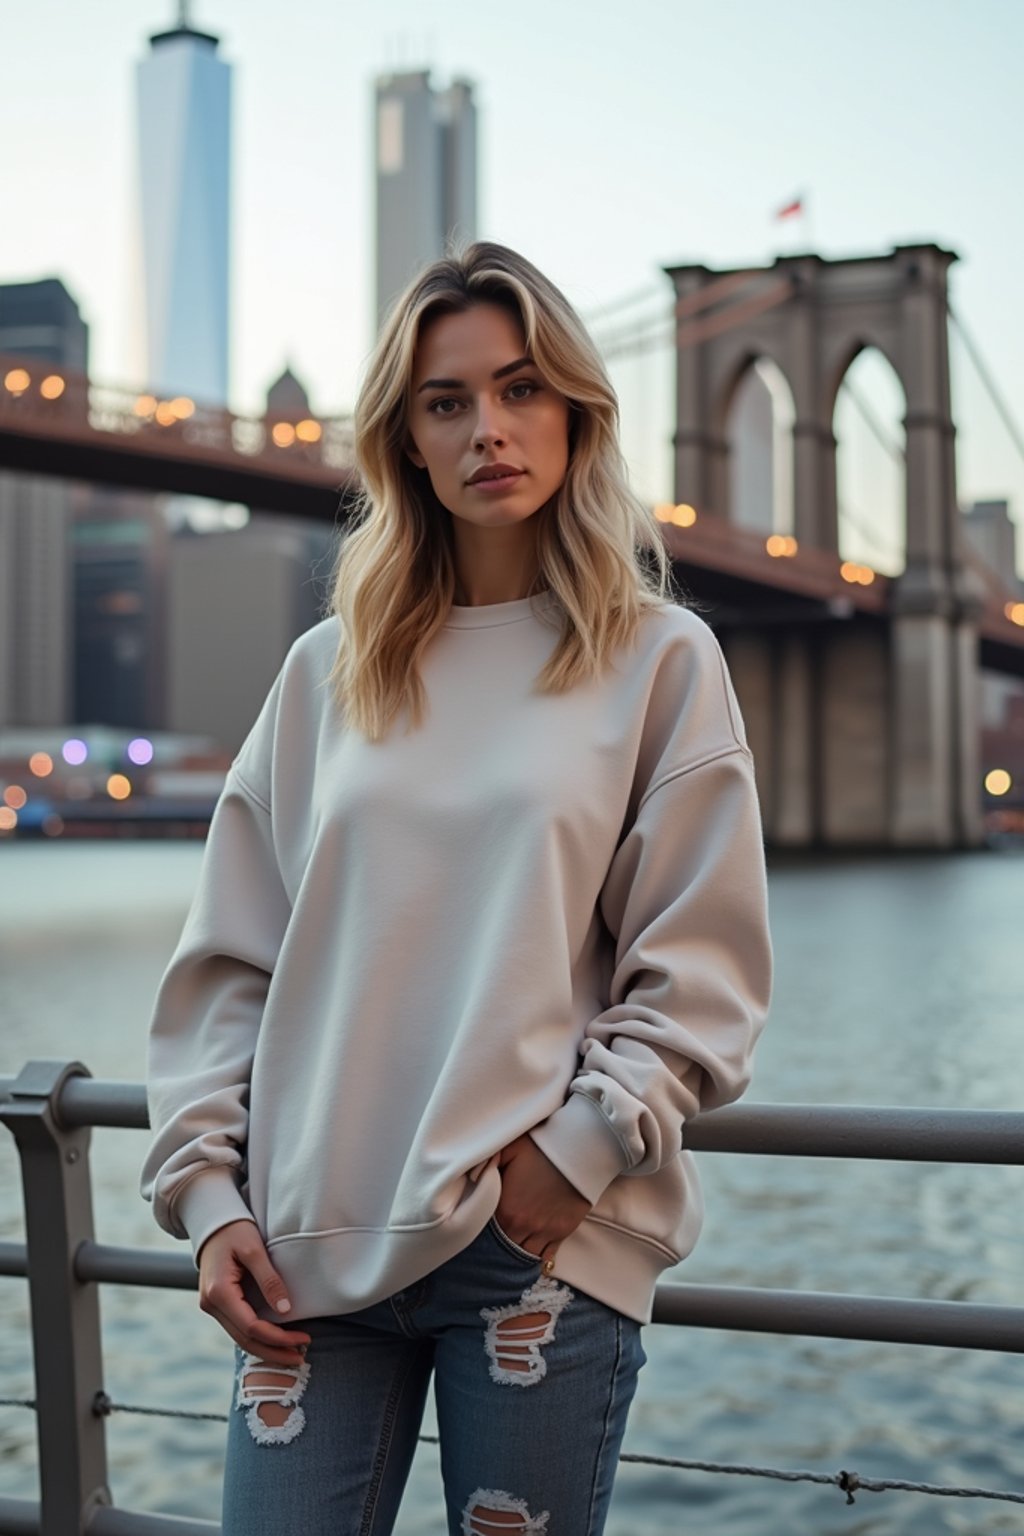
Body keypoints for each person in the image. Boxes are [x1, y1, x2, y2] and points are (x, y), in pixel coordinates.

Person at [139, 240, 773, 1536]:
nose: (490, 427)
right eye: (447, 401)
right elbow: (229, 963)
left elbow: (702, 970)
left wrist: (574, 1157)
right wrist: (208, 1204)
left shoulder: (661, 661)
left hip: (530, 1250)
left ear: (578, 416)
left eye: (523, 388)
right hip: (304, 1248)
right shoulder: (327, 674)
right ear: (407, 440)